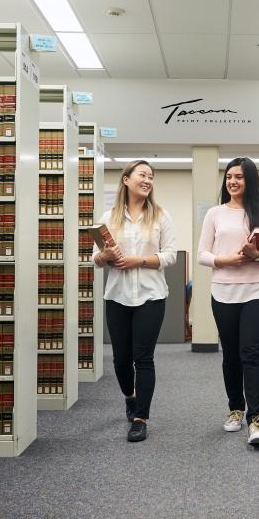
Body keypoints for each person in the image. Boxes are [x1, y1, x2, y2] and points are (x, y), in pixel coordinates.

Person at [198, 157, 259, 445]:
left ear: (251, 181)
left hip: (257, 291)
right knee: (231, 356)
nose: (233, 181)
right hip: (223, 292)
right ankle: (235, 409)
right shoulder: (215, 213)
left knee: (252, 355)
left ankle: (256, 421)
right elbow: (202, 254)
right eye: (229, 176)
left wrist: (256, 254)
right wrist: (226, 260)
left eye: (240, 177)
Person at [93, 160, 176, 442]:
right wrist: (105, 257)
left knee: (144, 358)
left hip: (151, 296)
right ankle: (130, 397)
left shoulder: (161, 216)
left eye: (151, 176)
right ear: (126, 179)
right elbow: (97, 260)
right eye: (142, 175)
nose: (147, 180)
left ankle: (141, 417)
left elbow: (170, 256)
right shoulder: (108, 217)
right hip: (117, 296)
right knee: (120, 360)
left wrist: (137, 260)